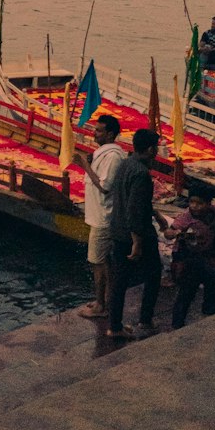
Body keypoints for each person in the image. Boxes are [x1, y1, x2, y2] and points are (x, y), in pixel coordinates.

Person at [107, 127, 170, 340]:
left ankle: (114, 325)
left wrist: (158, 216)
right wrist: (137, 241)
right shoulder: (142, 174)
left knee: (119, 280)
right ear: (151, 149)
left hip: (117, 229)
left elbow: (135, 201)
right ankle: (145, 320)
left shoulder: (126, 164)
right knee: (153, 274)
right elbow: (135, 209)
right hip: (136, 234)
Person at [73, 114, 127, 320]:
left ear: (110, 134)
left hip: (104, 218)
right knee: (103, 261)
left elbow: (104, 186)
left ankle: (101, 305)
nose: (94, 133)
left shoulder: (113, 156)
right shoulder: (103, 154)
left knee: (98, 261)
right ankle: (103, 298)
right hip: (98, 215)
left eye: (99, 131)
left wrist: (84, 165)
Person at [168, 192, 215, 329]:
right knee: (187, 291)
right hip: (189, 260)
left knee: (214, 283)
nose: (194, 206)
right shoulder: (186, 217)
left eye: (199, 203)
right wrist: (176, 233)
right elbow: (168, 233)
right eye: (192, 202)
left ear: (208, 203)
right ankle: (177, 325)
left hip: (209, 258)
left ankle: (209, 318)